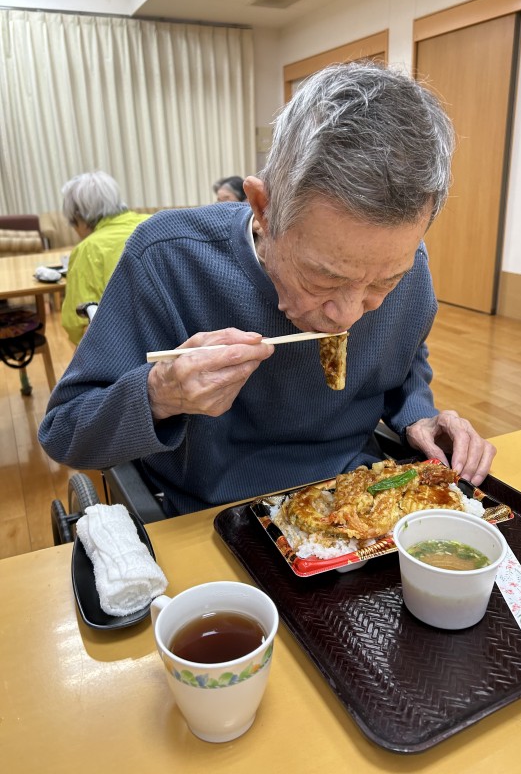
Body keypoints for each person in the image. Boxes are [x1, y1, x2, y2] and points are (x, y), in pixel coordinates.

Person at [39, 62, 495, 517]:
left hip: (353, 498)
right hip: (210, 513)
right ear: (262, 208)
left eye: (383, 283)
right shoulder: (167, 258)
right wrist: (159, 394)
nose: (348, 315)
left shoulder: (408, 265)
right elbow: (65, 431)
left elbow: (402, 360)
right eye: (325, 278)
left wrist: (418, 416)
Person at [60, 171, 151, 344]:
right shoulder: (154, 223)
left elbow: (78, 322)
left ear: (78, 217)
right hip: (180, 339)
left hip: (125, 347)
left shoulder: (88, 249)